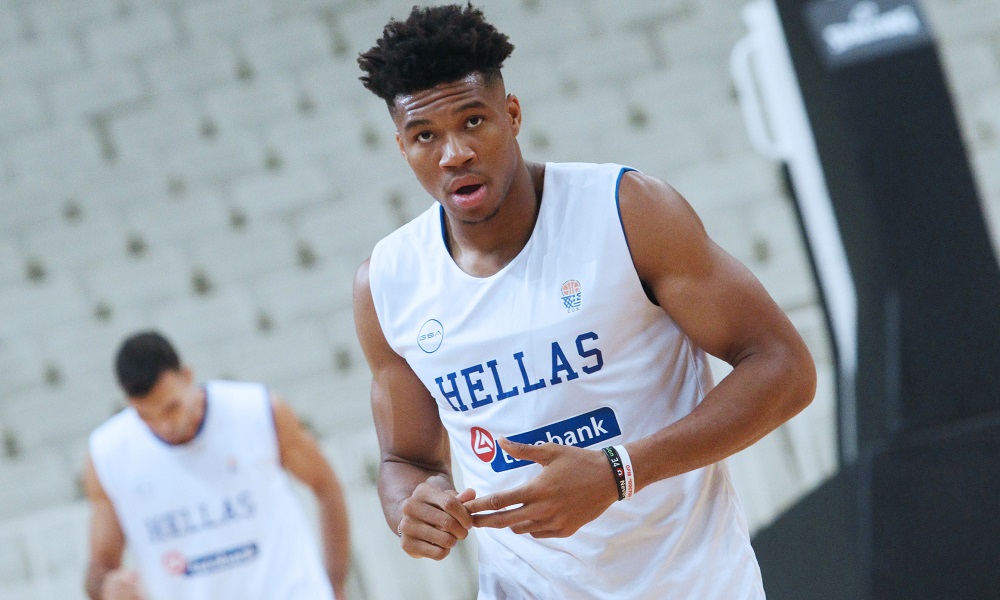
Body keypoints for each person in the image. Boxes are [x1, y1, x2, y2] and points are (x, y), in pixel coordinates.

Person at [352, 4, 817, 599]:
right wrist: (412, 509)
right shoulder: (387, 282)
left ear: (512, 115)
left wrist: (620, 472)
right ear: (402, 147)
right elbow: (405, 460)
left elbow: (785, 368)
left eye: (473, 121)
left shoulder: (627, 210)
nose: (454, 153)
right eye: (426, 136)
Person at [82, 331, 351, 600]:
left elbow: (327, 487)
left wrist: (336, 584)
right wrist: (106, 586)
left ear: (187, 376)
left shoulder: (256, 411)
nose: (164, 425)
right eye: (145, 415)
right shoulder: (108, 454)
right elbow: (99, 568)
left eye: (171, 408)